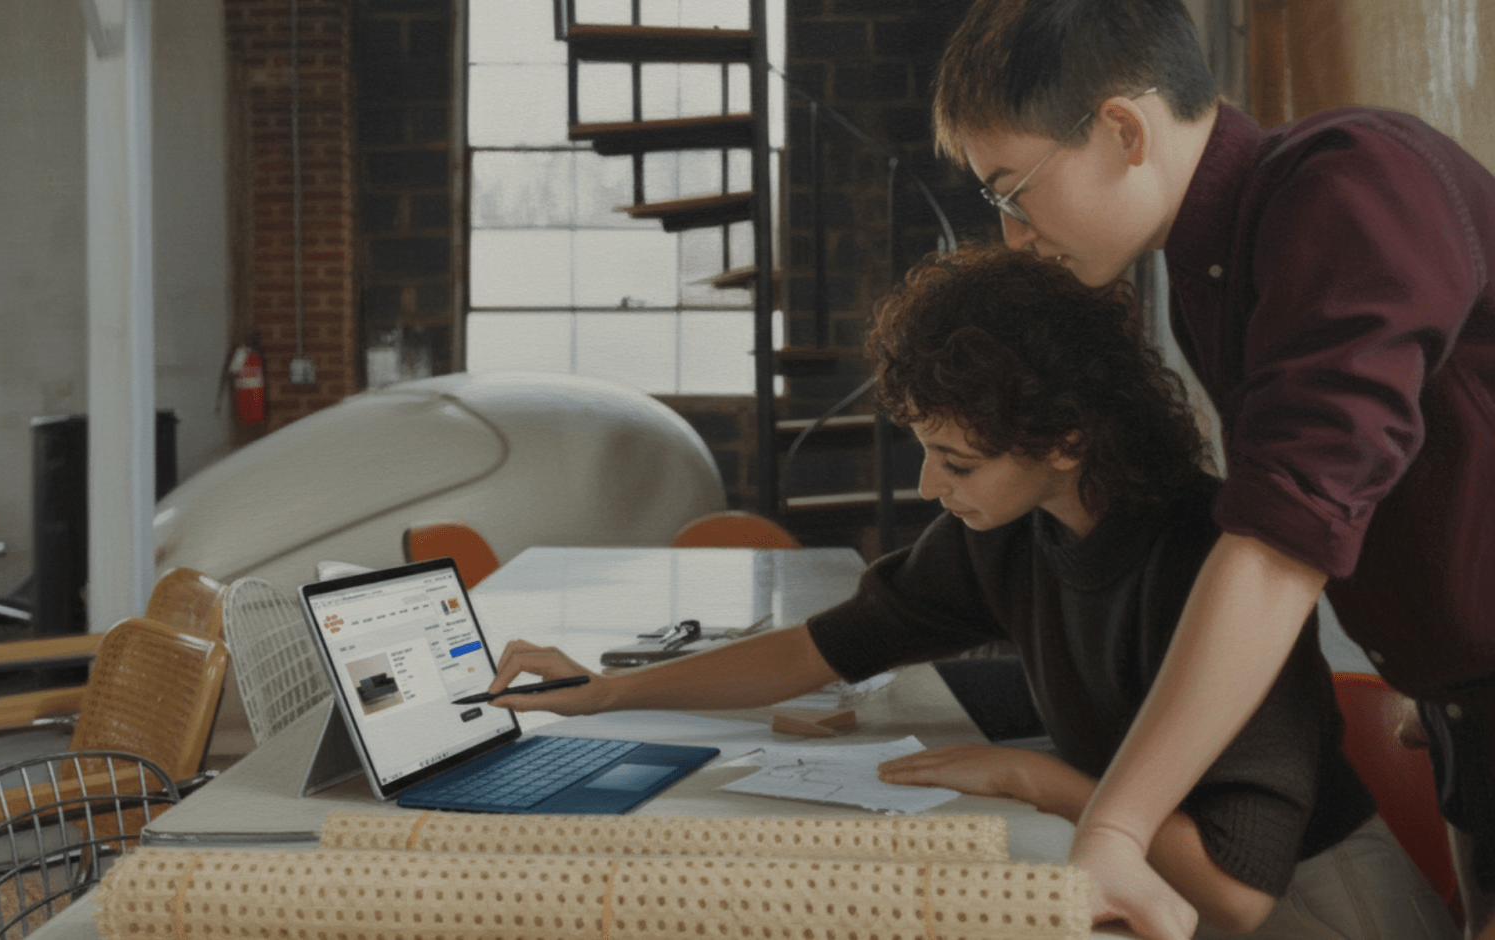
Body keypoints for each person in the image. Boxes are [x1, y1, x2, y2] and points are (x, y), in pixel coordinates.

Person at [486, 246, 1456, 940]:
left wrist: (1039, 780)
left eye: (954, 460)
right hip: (1149, 879)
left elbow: (1239, 895)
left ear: (1064, 440)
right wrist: (610, 692)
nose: (925, 486)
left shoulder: (1203, 559)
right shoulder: (1010, 533)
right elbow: (826, 643)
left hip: (1320, 904)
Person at [928, 2, 1495, 939]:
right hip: (1463, 703)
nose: (1016, 235)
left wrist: (1116, 826)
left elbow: (1283, 536)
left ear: (1122, 130)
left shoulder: (1351, 187)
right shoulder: (1214, 262)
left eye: (1013, 191)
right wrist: (1431, 663)